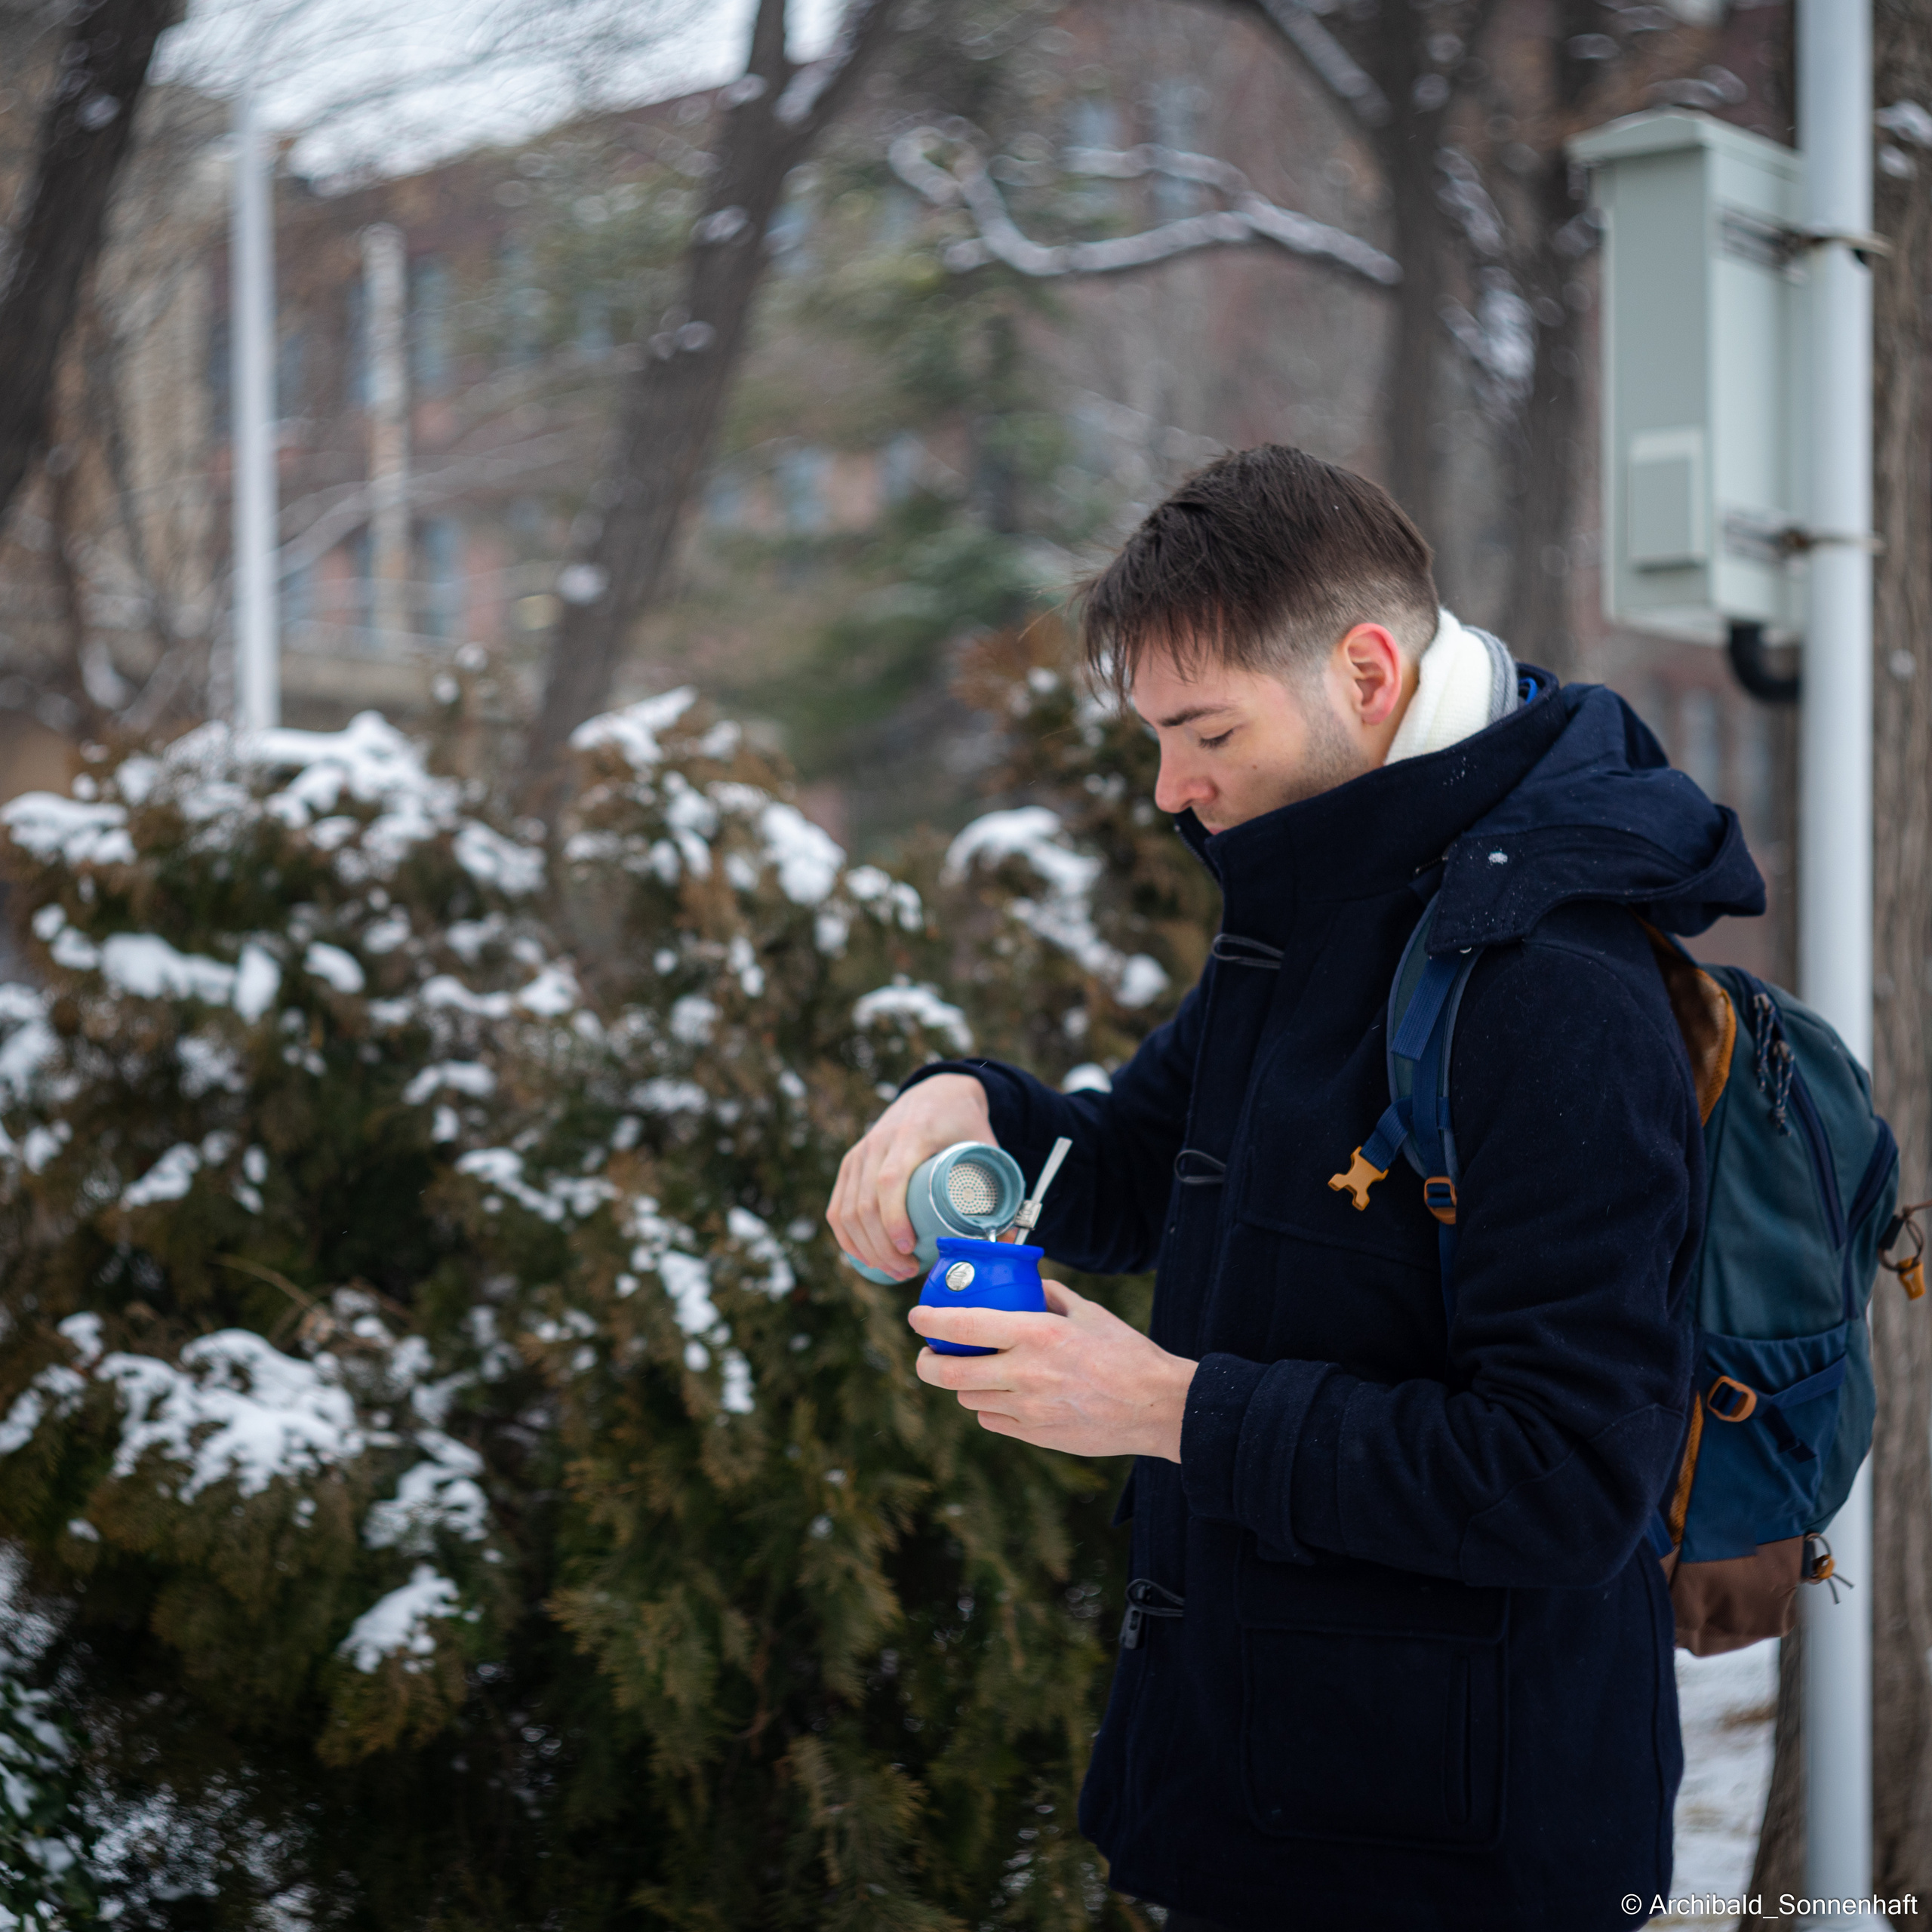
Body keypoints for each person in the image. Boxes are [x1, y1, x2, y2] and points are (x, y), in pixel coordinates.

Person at [825, 445, 1764, 1930]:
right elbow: (1140, 1163)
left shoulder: (1548, 977)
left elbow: (1568, 1475)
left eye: (1199, 729)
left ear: (1367, 669)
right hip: (1259, 1798)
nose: (1168, 786)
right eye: (1149, 733)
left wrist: (1164, 1404)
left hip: (1452, 1853)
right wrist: (967, 1113)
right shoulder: (1324, 881)